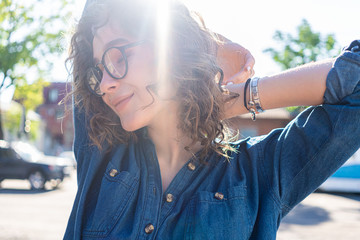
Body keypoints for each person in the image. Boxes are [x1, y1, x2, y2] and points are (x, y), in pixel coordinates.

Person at [63, 0, 360, 239]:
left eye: (117, 57)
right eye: (98, 71)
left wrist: (242, 98)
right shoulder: (102, 148)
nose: (103, 85)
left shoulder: (260, 172)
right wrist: (208, 44)